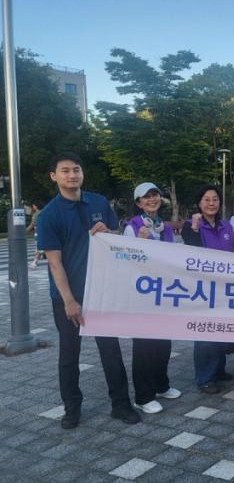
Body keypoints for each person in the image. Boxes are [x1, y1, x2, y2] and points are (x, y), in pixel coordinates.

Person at [38, 152, 140, 429]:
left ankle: (121, 404)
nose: (72, 175)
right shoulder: (49, 215)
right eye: (65, 170)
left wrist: (109, 232)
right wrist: (69, 300)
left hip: (101, 292)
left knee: (111, 350)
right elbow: (55, 263)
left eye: (76, 170)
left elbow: (116, 240)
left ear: (82, 173)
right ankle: (72, 409)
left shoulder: (98, 202)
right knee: (69, 355)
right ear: (54, 176)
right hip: (68, 297)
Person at [181, 185, 234, 394]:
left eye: (215, 199)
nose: (211, 203)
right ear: (199, 203)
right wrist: (195, 229)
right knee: (206, 332)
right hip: (204, 288)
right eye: (206, 199)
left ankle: (218, 370)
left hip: (225, 287)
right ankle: (205, 378)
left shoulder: (226, 226)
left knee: (221, 327)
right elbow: (191, 253)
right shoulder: (190, 225)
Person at [123, 182, 182, 413]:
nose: (152, 199)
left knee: (163, 344)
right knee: (144, 347)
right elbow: (128, 261)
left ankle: (161, 385)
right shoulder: (133, 227)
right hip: (142, 296)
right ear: (138, 203)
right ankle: (143, 396)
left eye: (155, 195)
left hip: (163, 293)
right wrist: (140, 241)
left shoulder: (164, 228)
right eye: (146, 197)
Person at [27, 202, 45, 269]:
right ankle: (34, 262)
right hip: (46, 231)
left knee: (39, 248)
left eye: (33, 206)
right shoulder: (45, 212)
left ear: (36, 206)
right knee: (41, 248)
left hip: (39, 231)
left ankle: (34, 263)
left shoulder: (36, 214)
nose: (33, 207)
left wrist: (24, 232)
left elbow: (32, 225)